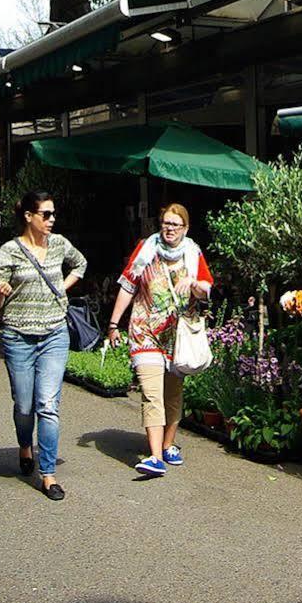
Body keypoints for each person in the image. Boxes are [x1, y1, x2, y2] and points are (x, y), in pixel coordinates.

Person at [0, 191, 87, 501]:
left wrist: (62, 286)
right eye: (46, 214)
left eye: (53, 214)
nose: (52, 220)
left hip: (54, 335)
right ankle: (24, 445)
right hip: (18, 337)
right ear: (29, 217)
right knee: (24, 405)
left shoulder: (59, 245)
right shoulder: (9, 252)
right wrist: (0, 293)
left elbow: (80, 264)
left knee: (48, 405)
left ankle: (47, 475)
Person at [107, 203, 214, 476]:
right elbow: (128, 285)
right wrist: (113, 323)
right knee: (151, 393)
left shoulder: (193, 253)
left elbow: (206, 291)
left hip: (177, 336)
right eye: (166, 223)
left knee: (173, 394)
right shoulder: (146, 249)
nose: (170, 229)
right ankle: (155, 457)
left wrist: (193, 283)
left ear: (185, 229)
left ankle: (168, 444)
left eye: (176, 225)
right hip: (145, 331)